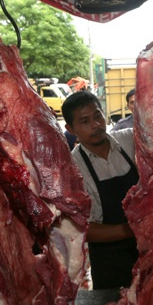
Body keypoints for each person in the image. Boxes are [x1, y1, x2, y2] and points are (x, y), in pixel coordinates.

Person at [62, 91, 139, 290]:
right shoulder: (72, 168)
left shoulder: (129, 139)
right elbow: (81, 228)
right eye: (85, 121)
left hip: (149, 253)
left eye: (98, 116)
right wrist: (133, 229)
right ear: (70, 129)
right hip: (109, 264)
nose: (95, 125)